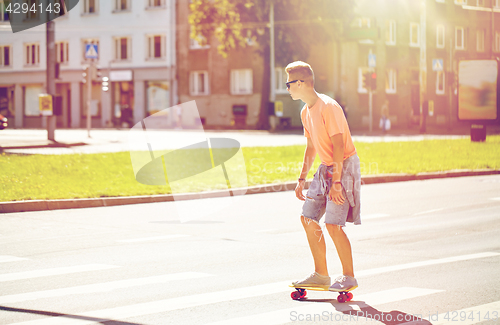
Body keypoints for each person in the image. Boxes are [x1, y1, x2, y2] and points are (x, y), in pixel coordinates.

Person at [286, 61, 361, 292]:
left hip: (343, 166)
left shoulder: (329, 106)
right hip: (325, 166)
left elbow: (338, 146)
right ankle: (321, 275)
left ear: (301, 83)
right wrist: (301, 179)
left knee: (333, 225)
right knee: (307, 218)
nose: (287, 88)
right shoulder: (304, 112)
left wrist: (337, 182)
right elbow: (311, 147)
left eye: (289, 84)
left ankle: (349, 277)